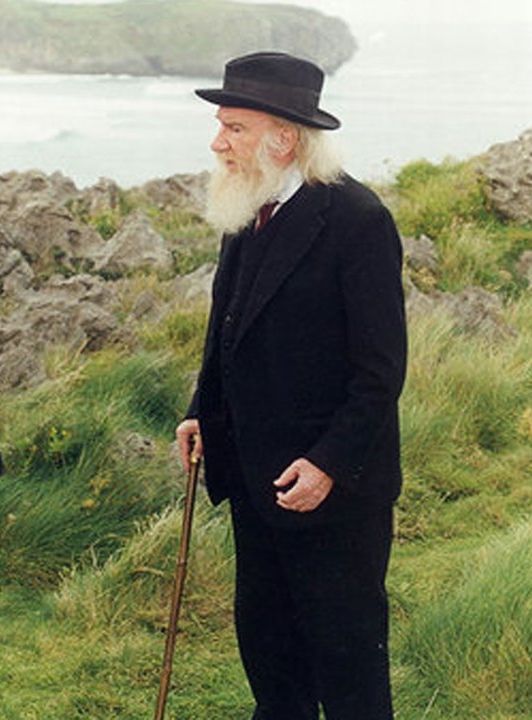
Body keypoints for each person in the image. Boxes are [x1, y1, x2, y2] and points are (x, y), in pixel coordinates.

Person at [175, 52, 407, 719]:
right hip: (256, 485)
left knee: (349, 670)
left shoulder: (358, 220)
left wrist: (328, 464)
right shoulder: (248, 208)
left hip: (333, 498)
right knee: (272, 661)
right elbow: (227, 332)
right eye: (221, 126)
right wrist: (202, 411)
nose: (218, 143)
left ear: (283, 138)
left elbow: (380, 369)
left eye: (234, 128)